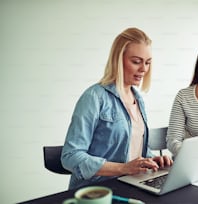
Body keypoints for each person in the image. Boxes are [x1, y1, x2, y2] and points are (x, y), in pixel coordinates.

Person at [61, 27, 173, 190]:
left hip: (130, 184)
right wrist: (123, 168)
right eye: (136, 61)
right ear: (118, 60)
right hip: (97, 191)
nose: (144, 69)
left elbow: (132, 147)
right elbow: (70, 156)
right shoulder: (94, 97)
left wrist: (152, 159)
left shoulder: (138, 99)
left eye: (147, 62)